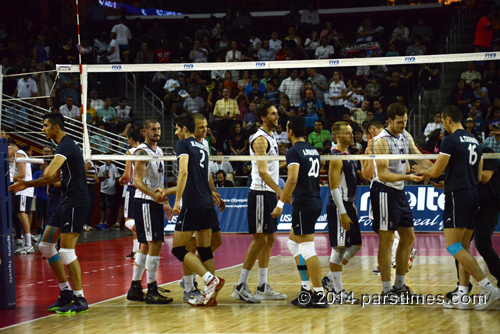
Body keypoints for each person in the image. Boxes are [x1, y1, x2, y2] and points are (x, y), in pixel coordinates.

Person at [412, 106, 500, 310]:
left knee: (453, 247)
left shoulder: (450, 140)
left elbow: (435, 171)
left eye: (443, 122)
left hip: (457, 196)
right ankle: (462, 294)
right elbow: (478, 177)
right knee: (463, 247)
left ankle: (488, 288)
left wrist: (423, 171)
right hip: (472, 195)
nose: (443, 125)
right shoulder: (476, 142)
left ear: (448, 120)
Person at [9, 112, 90, 313]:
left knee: (67, 251)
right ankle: (66, 293)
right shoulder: (61, 147)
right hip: (66, 200)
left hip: (76, 201)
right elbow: (48, 179)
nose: (42, 129)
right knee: (45, 246)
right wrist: (26, 184)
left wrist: (48, 171)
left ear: (56, 127)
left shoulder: (66, 145)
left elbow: (47, 174)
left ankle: (80, 298)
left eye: (45, 125)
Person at [166, 113, 225, 307]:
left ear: (184, 129)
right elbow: (203, 175)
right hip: (207, 202)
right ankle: (210, 295)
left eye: (177, 128)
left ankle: (209, 279)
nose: (175, 133)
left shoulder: (183, 144)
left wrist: (177, 201)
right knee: (204, 248)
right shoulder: (203, 146)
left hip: (192, 203)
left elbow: (183, 172)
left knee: (178, 248)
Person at [370, 103, 427, 301]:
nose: (404, 124)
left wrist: (436, 172)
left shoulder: (405, 135)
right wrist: (410, 177)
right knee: (386, 240)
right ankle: (386, 290)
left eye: (405, 121)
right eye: (400, 122)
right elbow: (383, 174)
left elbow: (417, 157)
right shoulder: (380, 141)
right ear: (390, 120)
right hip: (384, 191)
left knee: (408, 237)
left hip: (399, 191)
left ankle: (400, 285)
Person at [232, 100, 286, 303]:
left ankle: (262, 285)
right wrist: (279, 189)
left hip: (269, 193)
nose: (277, 116)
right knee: (260, 239)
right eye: (273, 114)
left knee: (270, 238)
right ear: (263, 117)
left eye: (277, 113)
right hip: (261, 193)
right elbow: (262, 172)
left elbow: (272, 166)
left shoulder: (271, 137)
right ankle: (240, 286)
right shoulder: (260, 139)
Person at [270, 115, 326, 308]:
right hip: (314, 200)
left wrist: (279, 205)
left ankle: (319, 294)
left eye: (286, 128)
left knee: (307, 248)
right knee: (293, 243)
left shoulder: (293, 151)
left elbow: (292, 179)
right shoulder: (313, 150)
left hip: (303, 203)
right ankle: (305, 290)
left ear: (290, 131)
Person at [125, 119, 174, 304]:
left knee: (145, 244)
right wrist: (154, 196)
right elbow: (137, 181)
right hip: (145, 201)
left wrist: (165, 201)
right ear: (145, 131)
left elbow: (158, 182)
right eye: (153, 129)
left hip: (153, 201)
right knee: (155, 243)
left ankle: (135, 287)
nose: (157, 132)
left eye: (159, 128)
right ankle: (152, 288)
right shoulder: (142, 152)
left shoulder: (159, 151)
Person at [321, 121, 362, 304]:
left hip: (347, 204)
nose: (352, 135)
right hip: (339, 206)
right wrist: (343, 211)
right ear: (338, 136)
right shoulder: (336, 157)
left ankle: (330, 278)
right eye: (348, 133)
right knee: (339, 248)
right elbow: (334, 187)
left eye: (352, 132)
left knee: (355, 245)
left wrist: (350, 204)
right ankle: (338, 292)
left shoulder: (348, 154)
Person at [9, 137, 35, 254]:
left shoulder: (19, 154)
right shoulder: (19, 154)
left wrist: (9, 178)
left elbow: (22, 174)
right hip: (23, 189)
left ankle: (28, 245)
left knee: (22, 215)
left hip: (23, 189)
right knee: (21, 215)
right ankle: (27, 243)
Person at [118, 131, 142, 258]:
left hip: (133, 188)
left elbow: (127, 175)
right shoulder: (146, 150)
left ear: (131, 140)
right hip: (145, 189)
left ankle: (144, 233)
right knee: (137, 219)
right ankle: (136, 250)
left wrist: (120, 179)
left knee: (129, 221)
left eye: (128, 140)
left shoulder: (130, 152)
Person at [96, 159, 118, 230]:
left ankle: (106, 222)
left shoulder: (114, 167)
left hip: (111, 190)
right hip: (103, 189)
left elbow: (117, 177)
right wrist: (103, 178)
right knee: (102, 206)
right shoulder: (102, 167)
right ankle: (101, 222)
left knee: (109, 206)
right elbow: (99, 177)